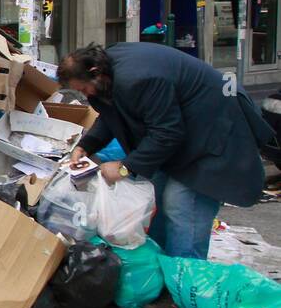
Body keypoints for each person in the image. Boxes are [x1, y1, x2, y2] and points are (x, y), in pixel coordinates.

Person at [61, 42, 274, 259]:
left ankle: (184, 278)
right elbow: (111, 113)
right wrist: (85, 146)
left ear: (94, 72)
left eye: (83, 89)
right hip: (180, 134)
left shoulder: (138, 78)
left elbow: (167, 132)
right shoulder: (105, 76)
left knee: (181, 204)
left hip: (213, 133)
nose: (86, 95)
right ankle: (158, 269)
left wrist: (126, 167)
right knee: (155, 197)